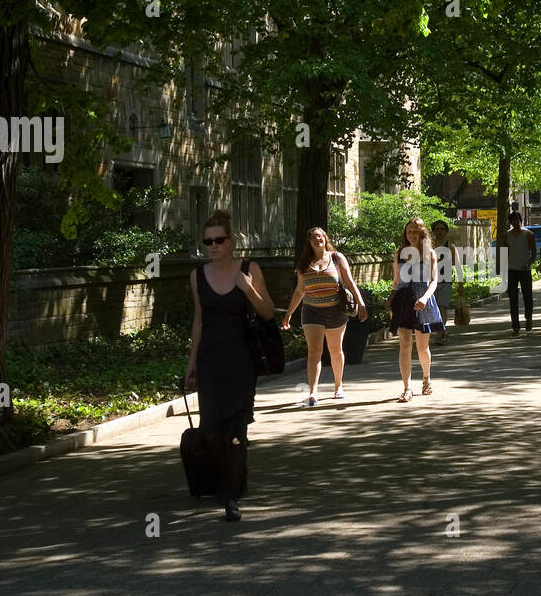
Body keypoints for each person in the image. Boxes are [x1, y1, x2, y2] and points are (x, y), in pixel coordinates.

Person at [185, 210, 275, 522]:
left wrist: (248, 289)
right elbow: (198, 321)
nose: (213, 245)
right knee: (210, 431)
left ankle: (231, 496)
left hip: (241, 360)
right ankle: (235, 474)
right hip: (210, 360)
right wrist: (192, 362)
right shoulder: (197, 276)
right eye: (208, 241)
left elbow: (266, 312)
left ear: (231, 241)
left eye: (219, 240)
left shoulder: (249, 269)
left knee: (237, 431)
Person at [281, 227, 368, 406]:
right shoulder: (303, 264)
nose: (317, 240)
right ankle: (313, 392)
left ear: (325, 238)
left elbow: (350, 282)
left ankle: (338, 386)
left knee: (335, 350)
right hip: (312, 311)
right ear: (309, 242)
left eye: (320, 236)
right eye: (313, 237)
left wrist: (361, 304)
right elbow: (299, 291)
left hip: (336, 311)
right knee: (314, 352)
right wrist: (288, 315)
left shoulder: (336, 258)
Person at [389, 217, 444, 400]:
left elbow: (434, 281)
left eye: (415, 231)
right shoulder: (400, 254)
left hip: (423, 301)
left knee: (422, 347)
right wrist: (392, 304)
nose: (411, 234)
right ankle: (407, 388)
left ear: (422, 232)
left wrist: (425, 297)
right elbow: (396, 282)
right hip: (403, 302)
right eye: (409, 231)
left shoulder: (430, 254)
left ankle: (426, 378)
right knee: (404, 345)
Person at [501, 211, 536, 335]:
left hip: (524, 270)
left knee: (528, 296)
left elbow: (534, 253)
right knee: (513, 299)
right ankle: (515, 326)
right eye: (513, 220)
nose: (515, 222)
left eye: (517, 219)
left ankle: (528, 318)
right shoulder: (506, 236)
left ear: (520, 220)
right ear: (510, 222)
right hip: (511, 270)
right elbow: (504, 253)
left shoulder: (528, 234)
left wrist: (529, 263)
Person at [430, 219, 458, 344]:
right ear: (433, 231)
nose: (439, 231)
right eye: (437, 229)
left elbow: (457, 265)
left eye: (442, 229)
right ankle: (443, 331)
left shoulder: (450, 246)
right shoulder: (429, 246)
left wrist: (461, 283)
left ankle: (440, 332)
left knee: (442, 307)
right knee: (434, 308)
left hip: (446, 280)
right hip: (431, 282)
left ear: (446, 231)